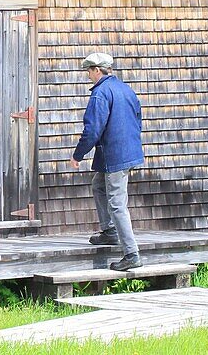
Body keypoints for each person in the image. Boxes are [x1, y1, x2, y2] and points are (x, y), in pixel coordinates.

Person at [69, 52, 144, 271]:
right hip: (126, 152)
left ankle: (131, 253)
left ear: (97, 70)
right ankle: (109, 231)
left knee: (117, 204)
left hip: (116, 156)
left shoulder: (100, 93)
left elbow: (92, 130)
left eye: (89, 71)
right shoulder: (125, 89)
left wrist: (78, 155)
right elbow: (137, 120)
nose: (88, 75)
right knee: (98, 185)